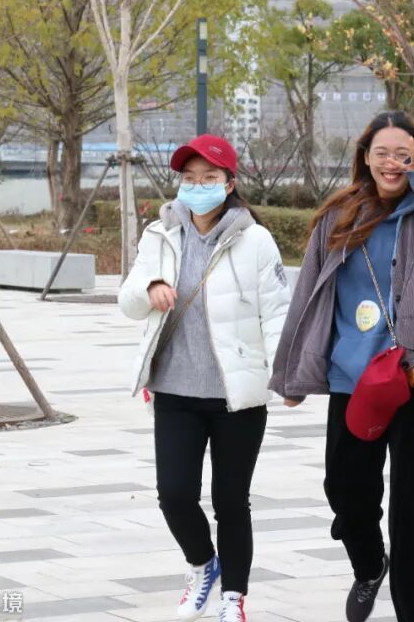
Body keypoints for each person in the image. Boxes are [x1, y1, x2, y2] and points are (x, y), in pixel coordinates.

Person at [269, 111, 414, 622]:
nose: (392, 163)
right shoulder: (339, 216)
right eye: (382, 154)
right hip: (355, 380)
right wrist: (291, 374)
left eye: (404, 154)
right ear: (365, 158)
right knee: (346, 492)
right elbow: (309, 295)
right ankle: (370, 566)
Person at [118, 134, 291, 622]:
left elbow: (277, 311)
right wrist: (149, 286)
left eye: (209, 178)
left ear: (229, 183)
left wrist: (285, 374)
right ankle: (202, 564)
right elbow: (128, 299)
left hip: (236, 395)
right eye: (189, 178)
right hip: (174, 389)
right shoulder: (160, 235)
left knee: (230, 501)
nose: (197, 187)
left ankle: (233, 597)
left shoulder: (255, 240)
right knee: (174, 495)